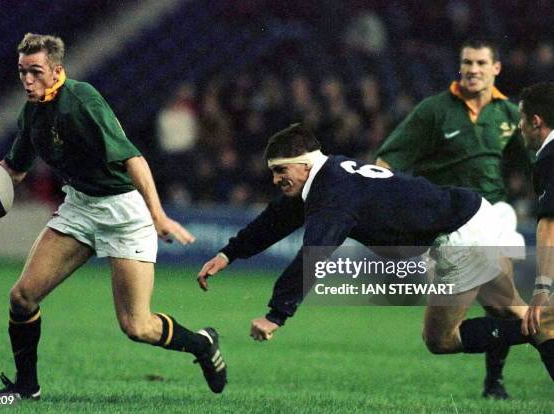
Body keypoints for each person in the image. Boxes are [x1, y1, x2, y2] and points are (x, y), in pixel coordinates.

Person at [0, 33, 227, 398]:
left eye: (35, 71)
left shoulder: (82, 100)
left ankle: (202, 344)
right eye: (22, 72)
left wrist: (158, 215)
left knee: (136, 326)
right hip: (80, 208)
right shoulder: (32, 112)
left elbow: (134, 159)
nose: (27, 80)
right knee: (22, 297)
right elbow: (14, 170)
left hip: (123, 213)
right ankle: (26, 388)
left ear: (57, 71)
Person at [197, 124, 551, 382]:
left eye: (280, 171)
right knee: (517, 314)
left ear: (304, 164)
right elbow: (276, 218)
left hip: (459, 234)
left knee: (441, 339)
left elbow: (315, 255)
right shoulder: (326, 177)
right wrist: (229, 253)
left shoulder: (332, 193)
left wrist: (276, 315)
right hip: (470, 215)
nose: (275, 179)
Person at [375, 38, 529, 398]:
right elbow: (388, 161)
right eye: (467, 63)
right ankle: (538, 331)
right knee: (457, 329)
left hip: (492, 217)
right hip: (446, 225)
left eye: (480, 63)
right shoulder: (434, 111)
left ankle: (496, 381)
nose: (473, 70)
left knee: (500, 302)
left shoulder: (508, 115)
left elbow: (535, 164)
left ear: (496, 68)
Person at [518, 82, 554, 380]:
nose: (519, 127)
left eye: (521, 120)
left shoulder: (549, 157)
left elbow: (549, 225)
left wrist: (542, 288)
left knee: (541, 323)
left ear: (535, 122)